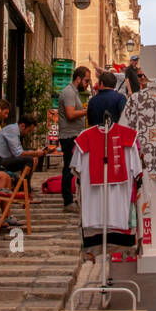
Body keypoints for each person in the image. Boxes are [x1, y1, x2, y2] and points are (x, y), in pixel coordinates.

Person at [57, 67, 91, 211]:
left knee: (74, 167)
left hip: (75, 134)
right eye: (86, 80)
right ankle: (67, 201)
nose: (88, 84)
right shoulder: (69, 93)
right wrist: (88, 110)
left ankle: (72, 198)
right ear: (79, 79)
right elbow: (70, 114)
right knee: (69, 168)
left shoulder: (74, 92)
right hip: (69, 135)